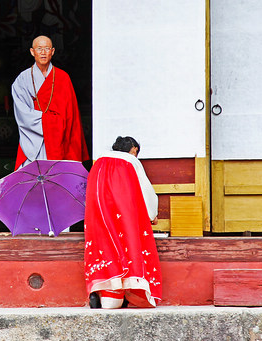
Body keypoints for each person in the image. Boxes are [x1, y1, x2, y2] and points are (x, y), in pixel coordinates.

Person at [84, 136, 161, 309]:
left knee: (105, 248)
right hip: (123, 213)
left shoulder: (98, 163)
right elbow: (145, 190)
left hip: (99, 212)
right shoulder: (130, 161)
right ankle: (122, 295)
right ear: (133, 149)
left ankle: (103, 293)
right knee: (127, 246)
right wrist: (152, 214)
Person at [11, 35, 89, 169]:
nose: (43, 52)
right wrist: (50, 122)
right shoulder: (22, 79)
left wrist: (58, 127)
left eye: (46, 48)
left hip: (60, 140)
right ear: (32, 51)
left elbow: (71, 116)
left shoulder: (63, 78)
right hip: (33, 140)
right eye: (39, 48)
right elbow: (23, 113)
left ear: (52, 52)